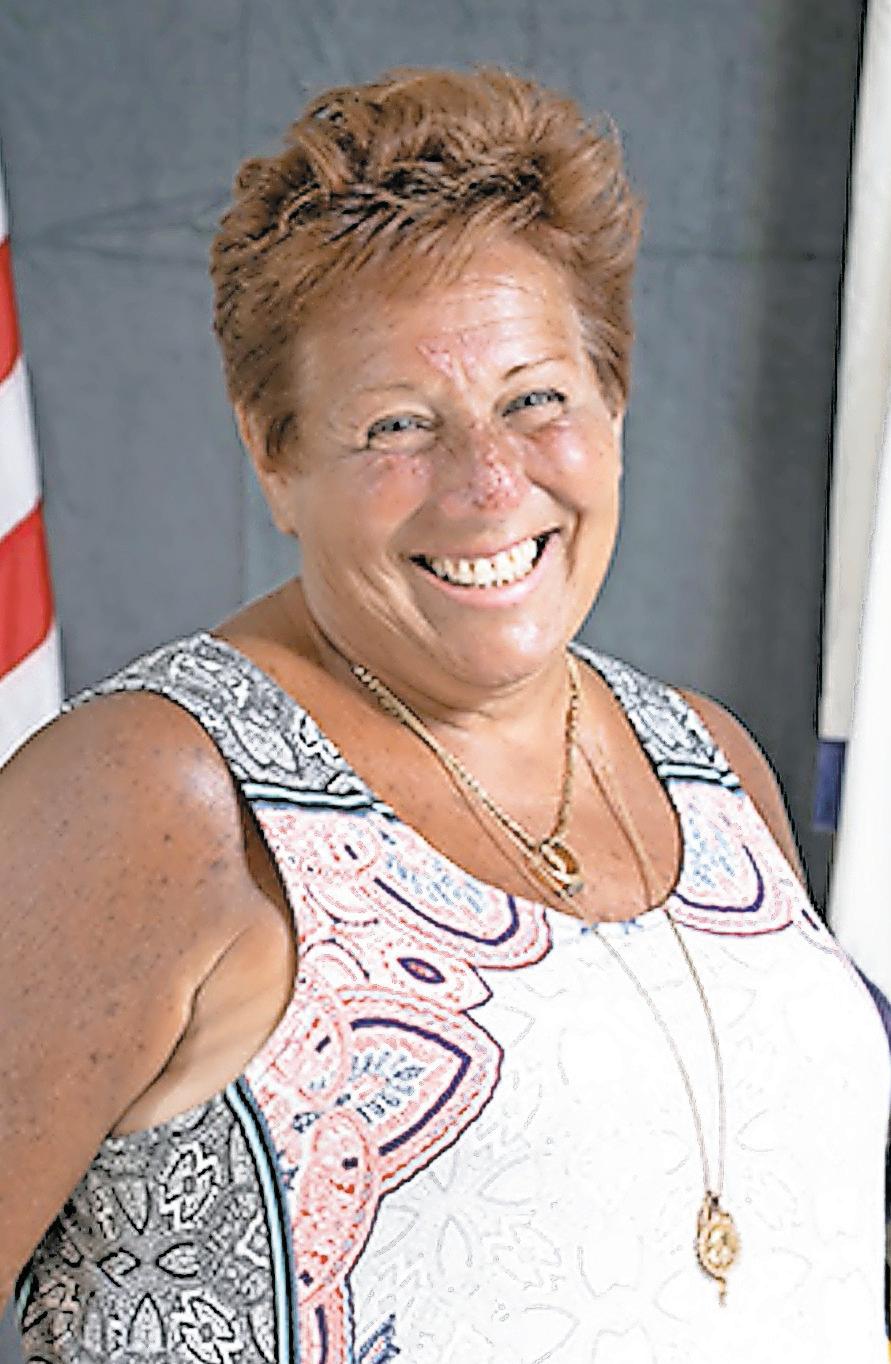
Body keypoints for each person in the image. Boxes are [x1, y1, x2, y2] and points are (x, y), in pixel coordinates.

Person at [1, 66, 888, 1364]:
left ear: (614, 403)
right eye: (398, 425)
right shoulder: (150, 794)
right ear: (275, 453)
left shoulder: (711, 765)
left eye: (536, 399)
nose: (486, 484)